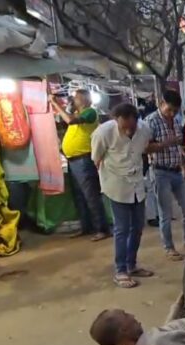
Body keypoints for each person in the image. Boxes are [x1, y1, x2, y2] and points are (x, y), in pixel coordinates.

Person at [92, 103, 162, 288]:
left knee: (138, 227)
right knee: (122, 229)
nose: (124, 128)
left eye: (128, 124)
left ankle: (132, 265)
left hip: (137, 184)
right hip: (116, 185)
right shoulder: (104, 132)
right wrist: (105, 180)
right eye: (120, 123)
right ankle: (120, 270)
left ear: (134, 119)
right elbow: (96, 158)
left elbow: (145, 149)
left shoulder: (144, 129)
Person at [145, 91, 185, 261]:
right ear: (161, 103)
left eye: (175, 111)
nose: (172, 114)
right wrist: (165, 143)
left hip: (176, 171)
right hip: (159, 170)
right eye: (169, 110)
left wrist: (183, 166)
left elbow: (178, 146)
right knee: (166, 213)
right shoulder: (150, 121)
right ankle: (169, 247)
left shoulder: (176, 121)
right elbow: (145, 148)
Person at [50, 90, 110, 241]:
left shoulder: (90, 113)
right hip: (74, 160)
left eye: (76, 97)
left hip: (84, 160)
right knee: (80, 196)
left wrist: (56, 104)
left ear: (83, 99)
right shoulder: (77, 114)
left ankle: (101, 229)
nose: (74, 100)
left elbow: (70, 121)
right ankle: (87, 227)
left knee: (91, 195)